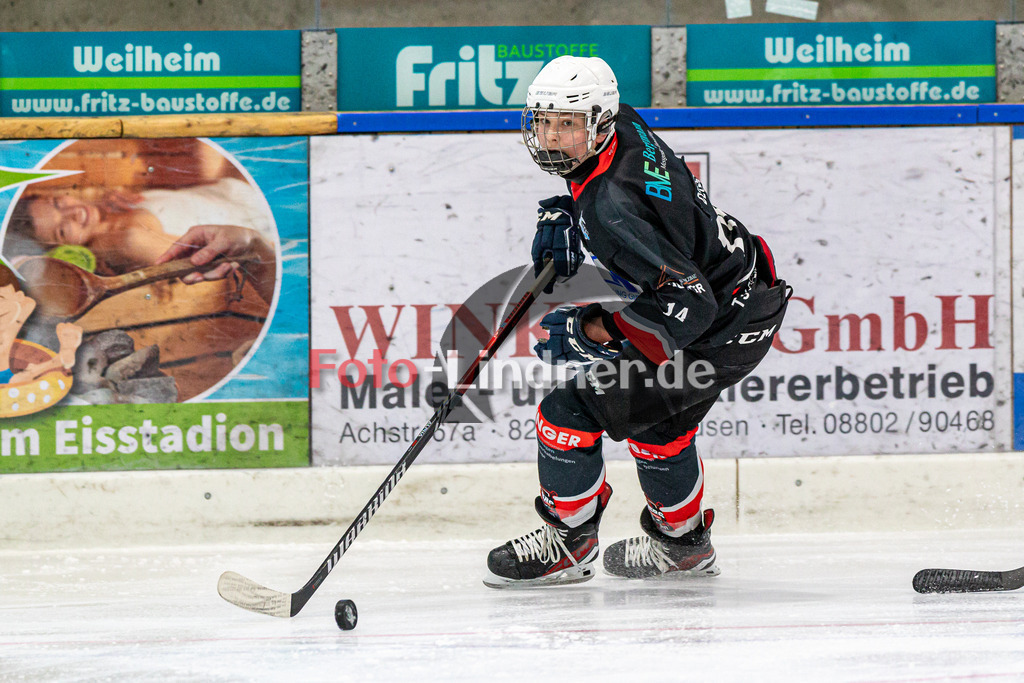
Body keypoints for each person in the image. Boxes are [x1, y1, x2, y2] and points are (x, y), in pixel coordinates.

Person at [484, 56, 790, 588]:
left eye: (568, 125)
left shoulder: (611, 209)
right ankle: (684, 548)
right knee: (658, 423)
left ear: (598, 122)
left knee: (567, 412)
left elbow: (688, 305)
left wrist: (593, 330)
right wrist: (566, 206)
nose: (553, 138)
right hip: (748, 299)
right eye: (544, 121)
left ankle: (569, 541)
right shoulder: (623, 122)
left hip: (715, 327)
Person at [5, 178, 277, 304]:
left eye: (58, 203)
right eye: (63, 231)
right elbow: (234, 257)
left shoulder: (115, 207)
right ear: (66, 249)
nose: (74, 213)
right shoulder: (128, 239)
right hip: (269, 236)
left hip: (252, 195)